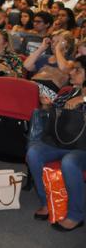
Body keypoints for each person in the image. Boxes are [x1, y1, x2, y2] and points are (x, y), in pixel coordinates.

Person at [27, 55, 86, 232]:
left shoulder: (78, 96)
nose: (72, 72)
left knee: (69, 162)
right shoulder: (70, 91)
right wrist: (47, 104)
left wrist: (83, 100)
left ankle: (76, 215)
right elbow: (55, 111)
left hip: (82, 147)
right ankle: (47, 202)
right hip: (62, 141)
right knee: (34, 152)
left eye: (78, 70)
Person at [24, 30, 74, 100]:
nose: (54, 44)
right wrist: (41, 48)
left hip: (48, 94)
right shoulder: (44, 58)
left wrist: (57, 49)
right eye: (53, 41)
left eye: (58, 42)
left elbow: (63, 68)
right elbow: (27, 65)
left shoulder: (70, 61)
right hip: (32, 86)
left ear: (67, 46)